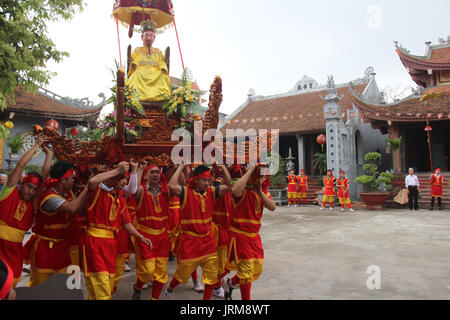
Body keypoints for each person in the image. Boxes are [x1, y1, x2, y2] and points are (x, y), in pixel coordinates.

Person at [82, 162, 152, 300]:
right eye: (122, 180)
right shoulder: (97, 191)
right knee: (102, 290)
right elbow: (92, 181)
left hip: (111, 245)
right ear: (113, 178)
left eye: (125, 180)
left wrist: (140, 236)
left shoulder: (120, 198)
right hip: (94, 242)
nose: (124, 183)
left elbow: (126, 223)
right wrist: (117, 170)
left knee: (105, 286)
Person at [165, 164, 231, 300]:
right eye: (204, 180)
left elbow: (229, 186)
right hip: (190, 241)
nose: (207, 183)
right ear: (196, 180)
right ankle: (170, 288)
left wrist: (224, 168)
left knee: (211, 276)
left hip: (208, 240)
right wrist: (181, 167)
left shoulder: (211, 192)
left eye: (208, 180)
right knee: (182, 274)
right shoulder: (184, 192)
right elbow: (171, 185)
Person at [25, 162, 89, 287]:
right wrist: (87, 188)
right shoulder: (49, 197)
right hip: (47, 249)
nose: (74, 181)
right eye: (73, 178)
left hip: (65, 248)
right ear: (64, 180)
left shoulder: (69, 193)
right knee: (41, 288)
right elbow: (71, 208)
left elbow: (80, 211)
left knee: (67, 288)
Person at [0, 134, 51, 287]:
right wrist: (37, 145)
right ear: (21, 184)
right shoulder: (9, 191)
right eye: (29, 187)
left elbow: (45, 174)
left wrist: (49, 153)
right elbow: (20, 164)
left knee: (11, 283)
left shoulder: (33, 202)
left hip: (15, 249)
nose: (31, 191)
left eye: (35, 189)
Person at [222, 164, 276, 300]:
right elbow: (234, 191)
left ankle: (231, 282)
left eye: (264, 177)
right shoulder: (242, 189)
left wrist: (260, 193)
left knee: (255, 269)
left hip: (254, 237)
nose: (262, 180)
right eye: (259, 176)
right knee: (246, 273)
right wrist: (251, 169)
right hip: (240, 236)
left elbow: (272, 207)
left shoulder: (261, 190)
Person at [131, 164, 173, 300]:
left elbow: (181, 183)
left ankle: (154, 298)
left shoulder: (166, 191)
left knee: (161, 272)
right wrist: (139, 170)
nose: (155, 174)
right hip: (145, 236)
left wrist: (181, 168)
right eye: (152, 172)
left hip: (163, 237)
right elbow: (133, 190)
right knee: (148, 272)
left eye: (157, 172)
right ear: (146, 176)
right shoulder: (141, 190)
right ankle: (137, 287)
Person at [127, 20, 171, 102]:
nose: (148, 38)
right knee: (136, 74)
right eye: (146, 35)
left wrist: (165, 63)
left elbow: (161, 63)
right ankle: (135, 97)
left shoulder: (158, 51)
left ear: (154, 38)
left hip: (155, 74)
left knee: (163, 76)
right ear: (142, 37)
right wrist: (131, 61)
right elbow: (133, 62)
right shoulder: (137, 50)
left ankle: (163, 97)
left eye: (151, 35)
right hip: (141, 73)